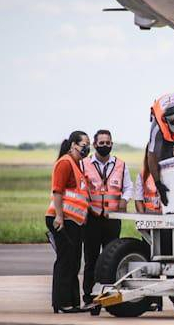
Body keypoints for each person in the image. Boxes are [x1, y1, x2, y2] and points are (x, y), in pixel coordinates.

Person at [81, 130, 133, 308]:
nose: (105, 146)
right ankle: (89, 297)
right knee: (91, 259)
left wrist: (125, 200)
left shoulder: (121, 165)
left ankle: (109, 295)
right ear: (95, 145)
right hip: (92, 218)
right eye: (101, 143)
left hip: (112, 219)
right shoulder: (84, 164)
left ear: (112, 144)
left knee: (111, 259)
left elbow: (128, 188)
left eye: (107, 143)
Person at [134, 145, 174, 311]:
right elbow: (139, 198)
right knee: (152, 263)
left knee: (171, 261)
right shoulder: (143, 174)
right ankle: (155, 300)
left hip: (169, 223)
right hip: (151, 223)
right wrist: (143, 219)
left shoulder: (172, 172)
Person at [45, 131, 91, 313]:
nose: (86, 148)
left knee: (74, 262)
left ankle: (72, 303)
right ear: (73, 145)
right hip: (62, 219)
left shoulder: (78, 165)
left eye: (88, 145)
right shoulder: (65, 163)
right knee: (65, 261)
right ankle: (61, 303)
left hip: (74, 222)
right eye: (83, 144)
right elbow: (57, 191)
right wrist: (59, 216)